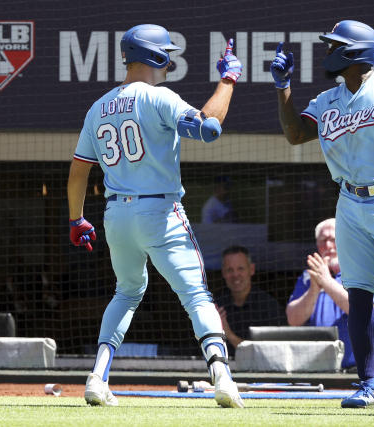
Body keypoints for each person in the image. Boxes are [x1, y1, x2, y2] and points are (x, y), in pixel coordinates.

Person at [66, 24, 244, 408]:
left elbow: (79, 170)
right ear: (156, 56)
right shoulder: (159, 97)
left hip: (116, 215)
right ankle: (222, 377)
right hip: (160, 211)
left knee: (127, 291)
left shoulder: (98, 106)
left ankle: (97, 377)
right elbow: (209, 128)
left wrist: (76, 219)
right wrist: (228, 79)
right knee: (196, 294)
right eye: (167, 52)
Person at [271, 20, 374, 409]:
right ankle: (368, 385)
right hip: (348, 201)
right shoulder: (328, 100)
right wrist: (283, 89)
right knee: (359, 294)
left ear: (355, 52)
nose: (327, 51)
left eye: (334, 45)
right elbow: (296, 134)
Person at [286, 218, 374, 369]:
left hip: (358, 371)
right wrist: (314, 290)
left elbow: (364, 311)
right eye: (323, 240)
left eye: (334, 238)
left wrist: (327, 282)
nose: (328, 246)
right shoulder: (308, 278)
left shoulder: (366, 271)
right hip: (314, 369)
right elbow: (293, 320)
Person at [215, 245, 286, 356]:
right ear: (223, 273)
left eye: (240, 269)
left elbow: (263, 355)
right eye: (229, 270)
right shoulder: (216, 305)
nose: (235, 275)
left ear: (251, 270)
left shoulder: (269, 307)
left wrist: (228, 333)